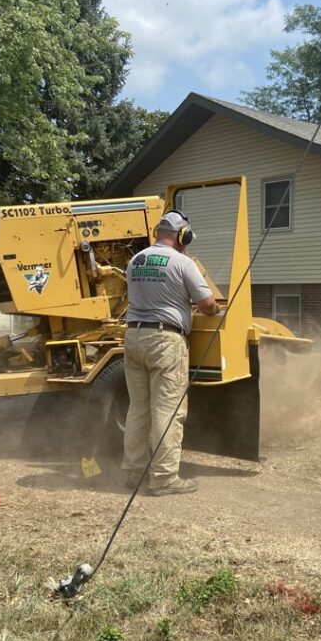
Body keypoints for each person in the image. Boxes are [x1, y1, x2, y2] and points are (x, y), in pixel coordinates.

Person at [122, 210, 219, 495]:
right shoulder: (182, 262)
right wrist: (212, 310)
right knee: (168, 410)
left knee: (138, 409)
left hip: (133, 337)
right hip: (165, 341)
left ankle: (133, 471)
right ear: (182, 236)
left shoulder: (135, 260)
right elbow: (207, 303)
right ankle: (164, 478)